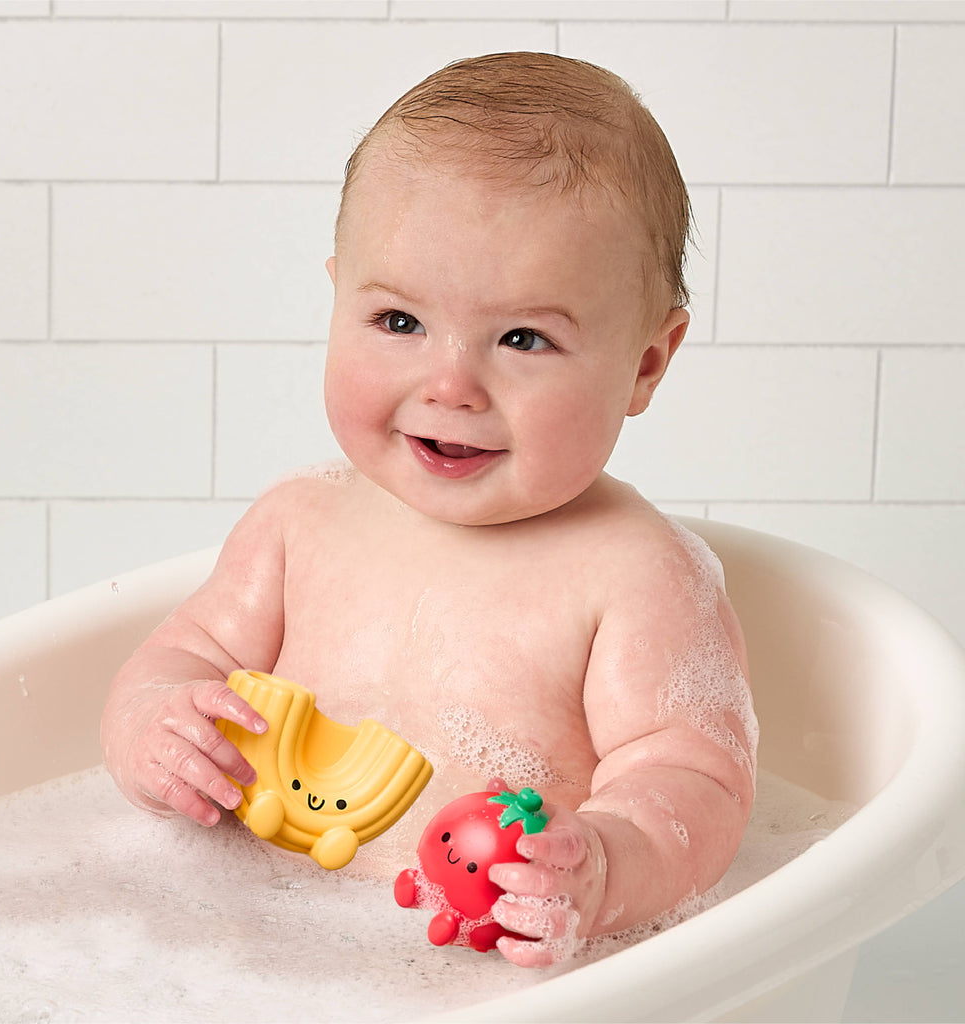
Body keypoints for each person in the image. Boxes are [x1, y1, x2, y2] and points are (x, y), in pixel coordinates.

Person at [101, 51, 757, 969]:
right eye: (399, 322)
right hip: (234, 950)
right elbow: (184, 659)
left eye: (524, 338)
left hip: (491, 976)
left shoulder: (634, 575)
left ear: (647, 362)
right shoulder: (299, 522)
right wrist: (156, 725)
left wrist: (603, 867)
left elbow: (693, 781)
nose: (450, 384)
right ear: (337, 296)